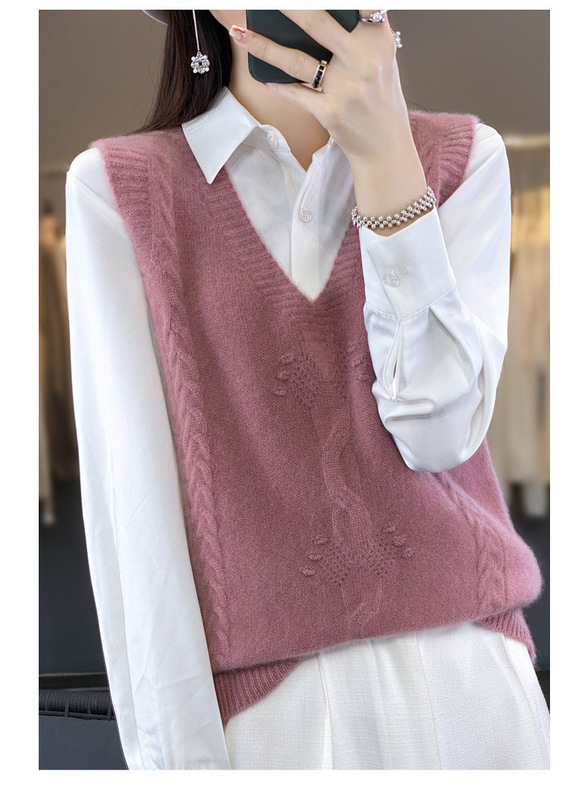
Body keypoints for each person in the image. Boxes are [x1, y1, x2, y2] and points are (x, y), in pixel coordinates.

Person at [65, 10, 550, 769]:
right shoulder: (120, 190)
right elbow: (136, 523)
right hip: (270, 725)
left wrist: (387, 160)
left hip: (475, 688)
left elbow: (438, 434)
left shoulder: (462, 158)